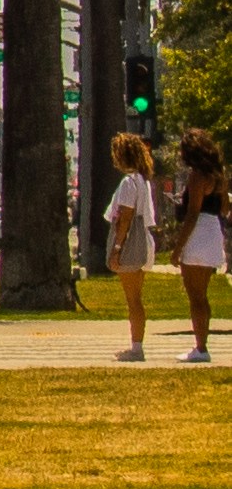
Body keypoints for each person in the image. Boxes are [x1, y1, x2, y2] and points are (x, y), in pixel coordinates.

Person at [108, 130, 162, 360]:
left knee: (133, 299)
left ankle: (136, 347)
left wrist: (117, 249)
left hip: (131, 243)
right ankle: (136, 344)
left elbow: (126, 217)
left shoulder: (128, 183)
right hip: (143, 241)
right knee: (136, 297)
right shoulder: (142, 181)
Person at [182, 131, 230, 366]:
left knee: (195, 296)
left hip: (198, 231)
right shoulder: (219, 176)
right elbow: (225, 208)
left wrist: (177, 248)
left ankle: (200, 347)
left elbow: (192, 213)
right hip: (213, 231)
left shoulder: (196, 176)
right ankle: (202, 343)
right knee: (204, 294)